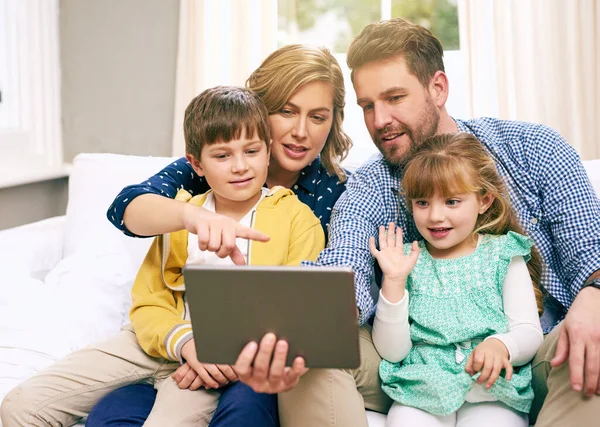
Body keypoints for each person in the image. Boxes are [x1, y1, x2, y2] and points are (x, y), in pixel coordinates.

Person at [294, 17, 599, 427]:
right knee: (310, 348)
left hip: (529, 357)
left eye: (395, 97)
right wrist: (317, 311)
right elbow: (345, 256)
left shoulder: (532, 148)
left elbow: (591, 250)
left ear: (438, 88)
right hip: (412, 370)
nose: (379, 120)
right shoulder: (371, 185)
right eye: (367, 105)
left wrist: (594, 296)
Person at [89, 44, 391, 427]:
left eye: (318, 117)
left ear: (333, 122)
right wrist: (190, 217)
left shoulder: (336, 190)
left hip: (288, 335)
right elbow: (125, 208)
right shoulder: (208, 168)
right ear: (259, 109)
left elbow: (328, 294)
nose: (301, 131)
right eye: (286, 111)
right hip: (201, 336)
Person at [0, 86, 325, 427]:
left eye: (251, 150)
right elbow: (148, 303)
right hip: (156, 344)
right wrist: (184, 342)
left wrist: (219, 353)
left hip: (218, 357)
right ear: (196, 164)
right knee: (21, 406)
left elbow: (295, 313)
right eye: (222, 156)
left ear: (268, 151)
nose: (240, 166)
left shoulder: (296, 219)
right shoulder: (181, 215)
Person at [370, 132, 544, 426]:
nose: (435, 216)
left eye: (451, 201)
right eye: (422, 203)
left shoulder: (503, 254)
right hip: (421, 391)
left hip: (492, 391)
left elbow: (529, 331)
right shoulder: (408, 261)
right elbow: (392, 352)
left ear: (484, 201)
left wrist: (501, 345)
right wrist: (394, 282)